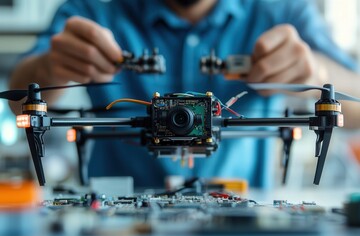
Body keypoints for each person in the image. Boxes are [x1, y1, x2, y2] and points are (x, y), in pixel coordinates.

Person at [9, 0, 360, 188]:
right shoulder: (94, 10)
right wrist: (52, 68)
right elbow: (19, 100)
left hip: (242, 216)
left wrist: (317, 73)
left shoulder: (282, 10)